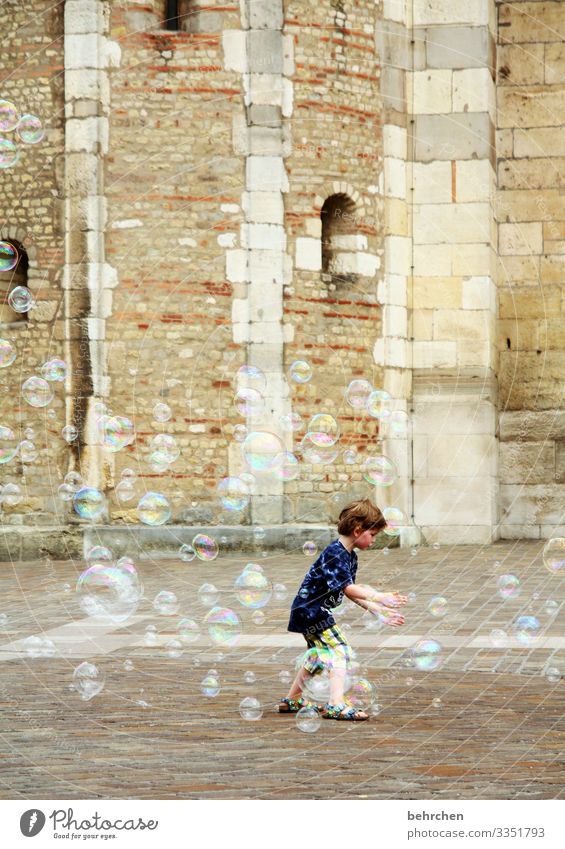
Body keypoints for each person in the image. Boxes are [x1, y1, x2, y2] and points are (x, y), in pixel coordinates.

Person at [277, 498, 406, 721]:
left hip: (309, 611)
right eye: (373, 534)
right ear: (358, 530)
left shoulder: (349, 557)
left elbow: (349, 591)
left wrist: (377, 610)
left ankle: (293, 700)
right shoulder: (335, 554)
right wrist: (379, 596)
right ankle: (336, 704)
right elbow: (348, 587)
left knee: (318, 656)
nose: (374, 540)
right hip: (312, 612)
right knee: (339, 650)